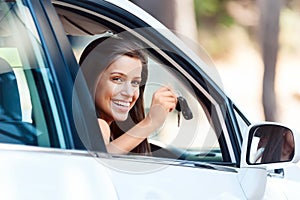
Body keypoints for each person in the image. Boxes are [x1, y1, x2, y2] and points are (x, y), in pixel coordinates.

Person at [79, 35, 177, 155]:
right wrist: (151, 122)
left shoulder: (112, 132)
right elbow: (101, 162)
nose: (129, 93)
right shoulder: (99, 126)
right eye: (117, 79)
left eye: (135, 82)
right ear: (90, 79)